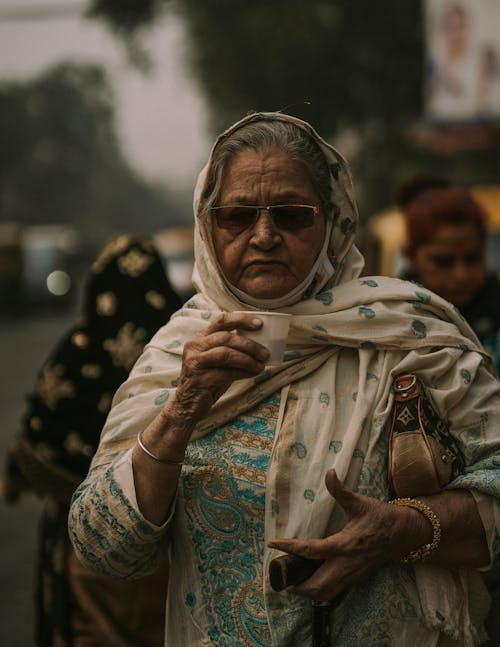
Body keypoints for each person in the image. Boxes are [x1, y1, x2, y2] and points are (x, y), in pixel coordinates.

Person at [68, 112, 500, 646]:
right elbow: (104, 547)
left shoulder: (410, 335)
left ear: (332, 224)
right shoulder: (176, 354)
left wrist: (405, 530)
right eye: (238, 216)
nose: (265, 236)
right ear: (209, 226)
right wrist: (183, 408)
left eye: (293, 216)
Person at [2, 234, 182, 646]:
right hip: (161, 534)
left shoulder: (79, 350)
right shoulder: (180, 349)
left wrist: (16, 477)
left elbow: (40, 427)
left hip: (81, 540)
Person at [400, 181, 500, 372]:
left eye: (472, 259)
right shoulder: (392, 324)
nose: (461, 276)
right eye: (443, 262)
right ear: (412, 258)